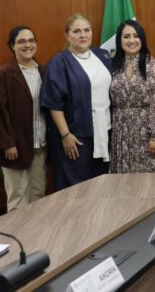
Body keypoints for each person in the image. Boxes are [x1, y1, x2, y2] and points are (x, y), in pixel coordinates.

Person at [41, 14, 112, 190]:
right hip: (76, 137)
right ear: (67, 35)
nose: (83, 35)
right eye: (77, 31)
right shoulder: (59, 62)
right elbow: (53, 104)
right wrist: (66, 135)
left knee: (101, 186)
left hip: (104, 132)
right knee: (76, 190)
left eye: (87, 30)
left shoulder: (102, 55)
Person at [0, 26, 48, 211]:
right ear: (12, 46)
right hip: (16, 147)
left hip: (41, 145)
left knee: (39, 194)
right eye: (21, 42)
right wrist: (8, 144)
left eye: (31, 40)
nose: (27, 45)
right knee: (18, 198)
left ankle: (37, 230)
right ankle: (19, 232)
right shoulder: (2, 76)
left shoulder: (44, 71)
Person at [109, 20, 155, 173]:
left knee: (147, 179)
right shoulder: (113, 66)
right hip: (120, 132)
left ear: (142, 39)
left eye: (136, 36)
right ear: (119, 40)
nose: (132, 40)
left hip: (145, 133)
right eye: (126, 36)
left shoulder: (152, 65)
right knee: (122, 180)